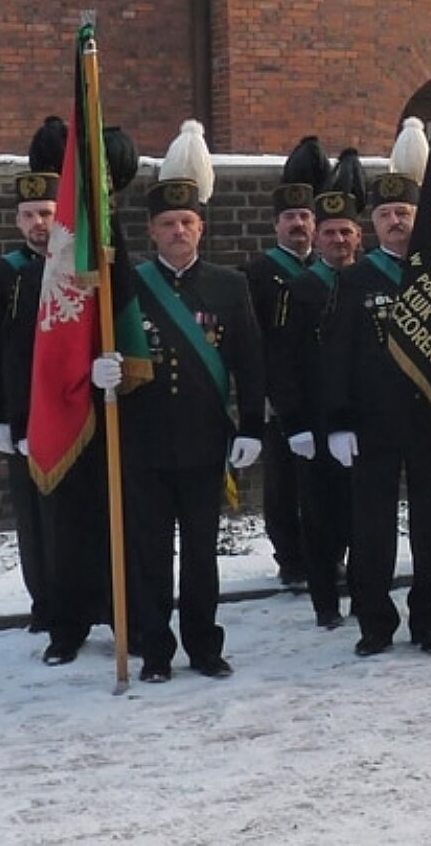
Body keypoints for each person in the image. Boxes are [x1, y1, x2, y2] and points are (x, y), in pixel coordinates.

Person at [94, 120, 264, 682]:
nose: (178, 231)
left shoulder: (229, 285)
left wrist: (252, 427)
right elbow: (101, 344)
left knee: (200, 554)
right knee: (148, 553)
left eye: (186, 222)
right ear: (152, 231)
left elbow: (249, 362)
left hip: (203, 441)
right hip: (143, 442)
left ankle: (204, 646)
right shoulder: (127, 285)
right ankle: (155, 651)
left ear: (200, 227)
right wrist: (101, 372)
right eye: (167, 223)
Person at [320, 119, 431, 655]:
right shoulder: (354, 280)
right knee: (371, 529)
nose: (396, 221)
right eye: (387, 214)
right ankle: (375, 623)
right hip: (372, 424)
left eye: (405, 213)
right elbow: (336, 356)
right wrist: (337, 421)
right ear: (372, 223)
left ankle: (428, 622)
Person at [271, 148, 365, 629]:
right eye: (329, 233)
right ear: (318, 238)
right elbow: (285, 361)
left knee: (364, 518)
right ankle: (325, 603)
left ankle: (366, 599)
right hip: (316, 421)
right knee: (320, 518)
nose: (338, 240)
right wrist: (295, 422)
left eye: (346, 232)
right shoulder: (301, 289)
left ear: (358, 236)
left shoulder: (369, 282)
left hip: (365, 421)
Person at [0, 118, 64, 636]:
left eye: (46, 213)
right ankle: (46, 605)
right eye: (29, 214)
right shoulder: (2, 272)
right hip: (22, 414)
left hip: (73, 408)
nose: (38, 223)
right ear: (17, 220)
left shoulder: (76, 266)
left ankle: (91, 599)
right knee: (34, 518)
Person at [242, 138, 325, 588]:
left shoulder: (329, 269)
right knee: (284, 485)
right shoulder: (258, 274)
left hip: (324, 393)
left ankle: (326, 554)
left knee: (324, 483)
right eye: (290, 217)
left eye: (305, 216)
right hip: (280, 394)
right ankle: (290, 559)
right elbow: (257, 341)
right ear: (276, 224)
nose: (298, 224)